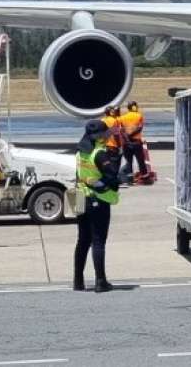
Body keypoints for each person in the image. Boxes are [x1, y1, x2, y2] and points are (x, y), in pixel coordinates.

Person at [74, 118, 120, 292]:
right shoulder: (99, 154)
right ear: (100, 136)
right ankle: (101, 282)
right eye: (104, 134)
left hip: (80, 196)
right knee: (98, 241)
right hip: (96, 199)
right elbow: (112, 175)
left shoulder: (80, 151)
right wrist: (117, 157)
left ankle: (78, 281)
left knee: (82, 241)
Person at [120, 101, 150, 184]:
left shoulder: (122, 117)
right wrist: (131, 135)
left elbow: (121, 130)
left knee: (129, 162)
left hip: (126, 143)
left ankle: (130, 179)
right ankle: (145, 178)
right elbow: (140, 128)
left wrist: (127, 138)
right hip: (136, 142)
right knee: (140, 160)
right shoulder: (139, 116)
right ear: (134, 107)